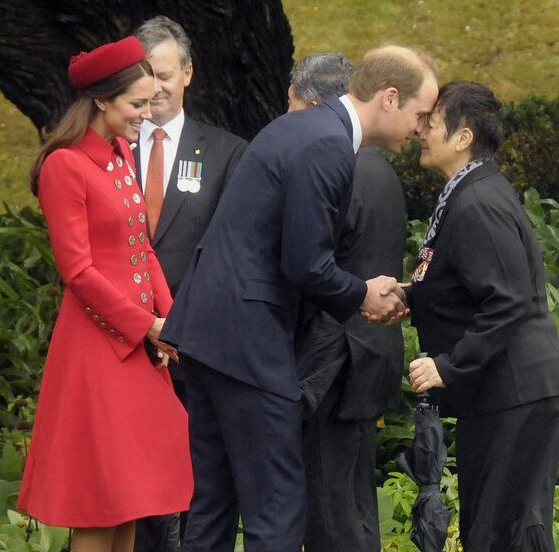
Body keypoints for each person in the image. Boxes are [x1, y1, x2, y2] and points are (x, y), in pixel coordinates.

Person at [160, 45, 438, 552]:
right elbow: (305, 263)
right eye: (420, 115)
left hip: (203, 334)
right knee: (278, 512)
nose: (421, 129)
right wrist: (363, 295)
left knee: (212, 507)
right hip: (247, 343)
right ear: (390, 98)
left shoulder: (295, 126)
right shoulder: (329, 144)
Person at [17, 36, 193, 552]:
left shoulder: (119, 152)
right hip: (96, 348)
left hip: (134, 345)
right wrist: (150, 326)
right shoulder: (65, 165)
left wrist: (172, 319)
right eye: (136, 104)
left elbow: (142, 249)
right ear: (101, 100)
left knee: (130, 499)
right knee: (98, 502)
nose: (147, 113)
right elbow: (79, 272)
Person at [401, 81, 559, 551]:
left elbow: (507, 300)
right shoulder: (471, 191)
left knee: (505, 532)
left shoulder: (477, 202)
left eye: (431, 124)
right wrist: (409, 297)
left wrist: (447, 366)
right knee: (500, 528)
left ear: (462, 138)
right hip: (505, 392)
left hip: (517, 392)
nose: (420, 130)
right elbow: (474, 284)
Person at [132, 16, 247, 552]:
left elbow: (230, 254)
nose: (154, 87)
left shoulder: (226, 154)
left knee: (191, 488)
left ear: (188, 75)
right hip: (120, 341)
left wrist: (180, 327)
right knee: (124, 485)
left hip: (192, 348)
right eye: (143, 74)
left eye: (163, 73)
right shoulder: (104, 150)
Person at [288, 53, 406, 552]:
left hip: (330, 358)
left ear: (317, 106)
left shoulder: (334, 166)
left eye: (292, 109)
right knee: (355, 501)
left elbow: (313, 267)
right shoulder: (380, 170)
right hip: (370, 354)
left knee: (329, 506)